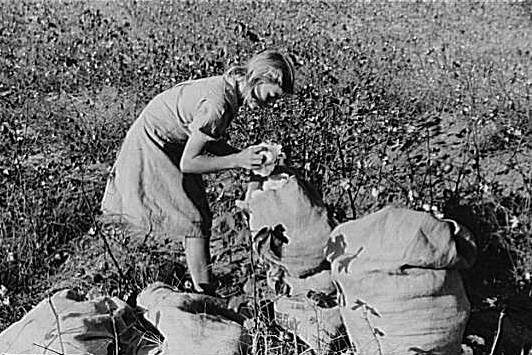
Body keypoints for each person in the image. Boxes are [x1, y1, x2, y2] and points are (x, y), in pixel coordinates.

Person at [100, 49, 295, 294]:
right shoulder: (219, 104)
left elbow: (206, 139)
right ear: (260, 78)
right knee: (195, 220)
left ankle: (201, 284)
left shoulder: (229, 89)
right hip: (155, 143)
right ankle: (204, 292)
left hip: (172, 141)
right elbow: (189, 163)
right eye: (272, 96)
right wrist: (237, 159)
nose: (272, 104)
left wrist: (242, 155)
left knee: (198, 212)